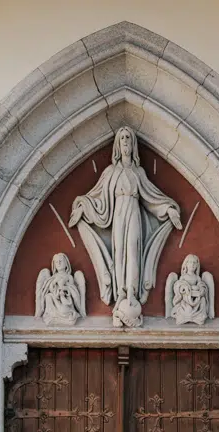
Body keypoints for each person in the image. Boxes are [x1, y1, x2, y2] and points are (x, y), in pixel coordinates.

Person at [69, 126, 182, 327]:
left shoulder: (138, 172)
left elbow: (151, 197)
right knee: (119, 252)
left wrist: (168, 209)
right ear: (117, 145)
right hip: (118, 215)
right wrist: (82, 207)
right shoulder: (110, 172)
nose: (125, 142)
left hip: (133, 211)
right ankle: (121, 291)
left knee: (132, 250)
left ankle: (131, 291)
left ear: (133, 145)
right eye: (122, 139)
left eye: (128, 138)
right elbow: (97, 198)